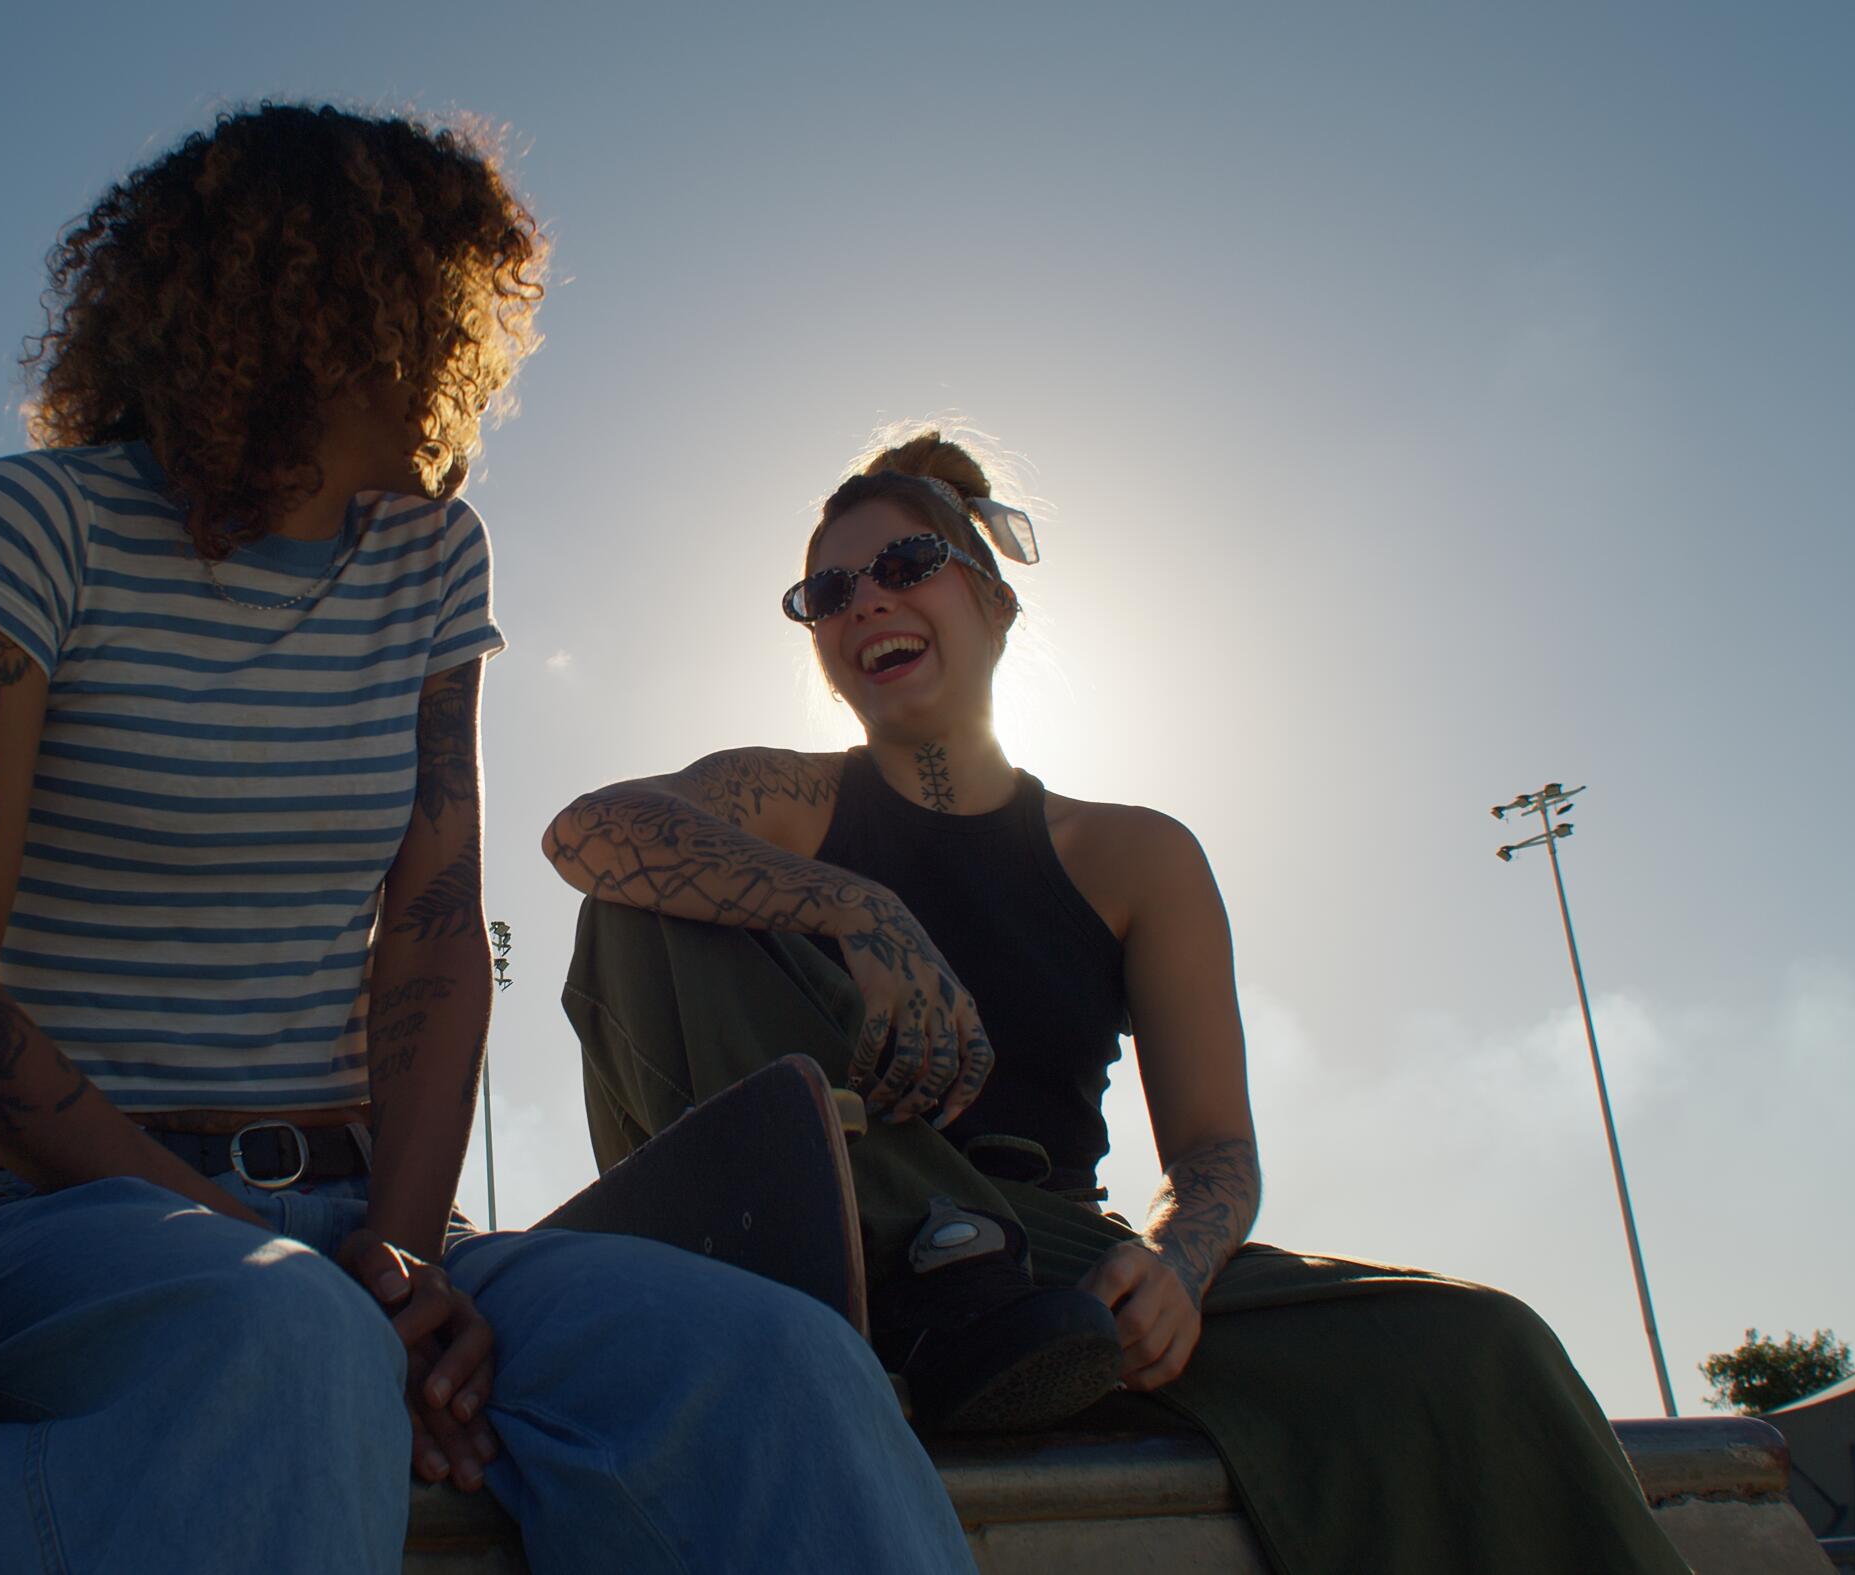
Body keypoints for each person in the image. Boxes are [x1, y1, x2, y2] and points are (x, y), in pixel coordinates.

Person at [0, 107, 974, 1574]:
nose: (478, 355)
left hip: (367, 1220)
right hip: (61, 1219)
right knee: (282, 1328)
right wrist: (326, 1279)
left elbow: (438, 928)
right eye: (448, 302)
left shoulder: (433, 558)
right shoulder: (31, 526)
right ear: (321, 299)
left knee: (776, 1360)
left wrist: (392, 1255)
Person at [541, 429, 1695, 1572]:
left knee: (1478, 1345)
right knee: (644, 895)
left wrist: (1174, 1269)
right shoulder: (788, 801)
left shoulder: (1133, 855)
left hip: (1042, 1267)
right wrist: (855, 907)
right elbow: (587, 831)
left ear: (994, 602)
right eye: (828, 589)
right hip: (817, 1234)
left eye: (906, 567)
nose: (864, 603)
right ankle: (912, 1287)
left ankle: (978, 1306)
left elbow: (1214, 1151)